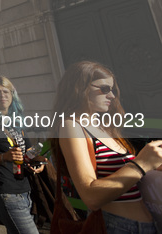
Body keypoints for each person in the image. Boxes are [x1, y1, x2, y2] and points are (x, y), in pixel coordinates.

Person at [51, 61, 162, 233]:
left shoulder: (103, 127)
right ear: (80, 88)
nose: (111, 96)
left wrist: (153, 164)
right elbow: (90, 196)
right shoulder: (71, 125)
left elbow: (127, 179)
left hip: (148, 223)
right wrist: (142, 164)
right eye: (104, 89)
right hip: (119, 226)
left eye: (112, 90)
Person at [0, 76, 45, 234]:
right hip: (6, 191)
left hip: (25, 189)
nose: (2, 95)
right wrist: (4, 157)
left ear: (12, 95)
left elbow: (27, 152)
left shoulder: (17, 123)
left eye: (6, 91)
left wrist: (38, 162)